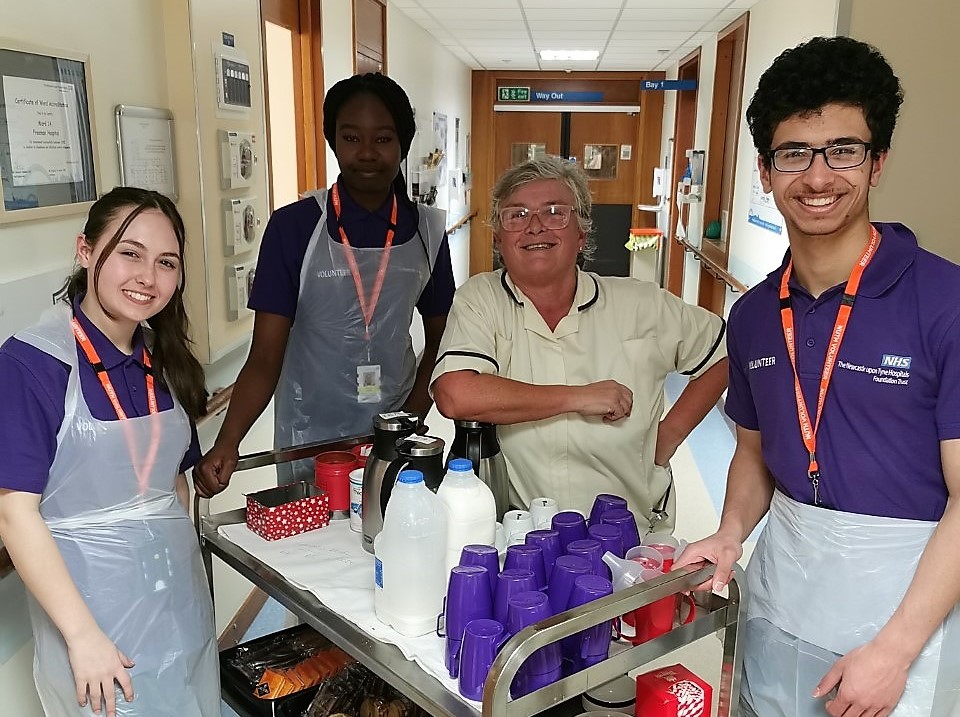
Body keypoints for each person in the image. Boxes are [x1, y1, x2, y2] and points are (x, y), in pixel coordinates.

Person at [675, 36, 960, 716]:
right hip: (784, 600)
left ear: (878, 162)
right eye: (794, 153)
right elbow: (753, 450)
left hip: (907, 621)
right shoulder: (751, 316)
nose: (818, 176)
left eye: (844, 150)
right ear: (766, 170)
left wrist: (894, 651)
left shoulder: (943, 302)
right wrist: (730, 530)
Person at [0, 188, 219, 716]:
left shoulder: (162, 359)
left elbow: (171, 480)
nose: (148, 276)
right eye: (130, 252)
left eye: (166, 262)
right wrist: (82, 637)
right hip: (92, 621)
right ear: (85, 251)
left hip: (177, 605)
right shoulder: (31, 365)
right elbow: (12, 512)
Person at [430, 155, 727, 526]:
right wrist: (578, 397)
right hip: (524, 534)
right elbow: (456, 394)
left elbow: (724, 351)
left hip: (631, 526)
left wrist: (669, 436)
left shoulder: (640, 302)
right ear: (499, 239)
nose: (535, 226)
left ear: (581, 234)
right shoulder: (482, 299)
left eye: (555, 212)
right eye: (516, 215)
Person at [194, 73, 455, 494]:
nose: (367, 153)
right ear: (333, 142)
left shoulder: (427, 232)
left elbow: (442, 340)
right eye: (351, 138)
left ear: (403, 145)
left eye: (383, 139)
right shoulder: (294, 228)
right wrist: (228, 442)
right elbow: (264, 358)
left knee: (393, 537)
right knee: (314, 548)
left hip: (398, 430)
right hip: (308, 435)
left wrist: (408, 419)